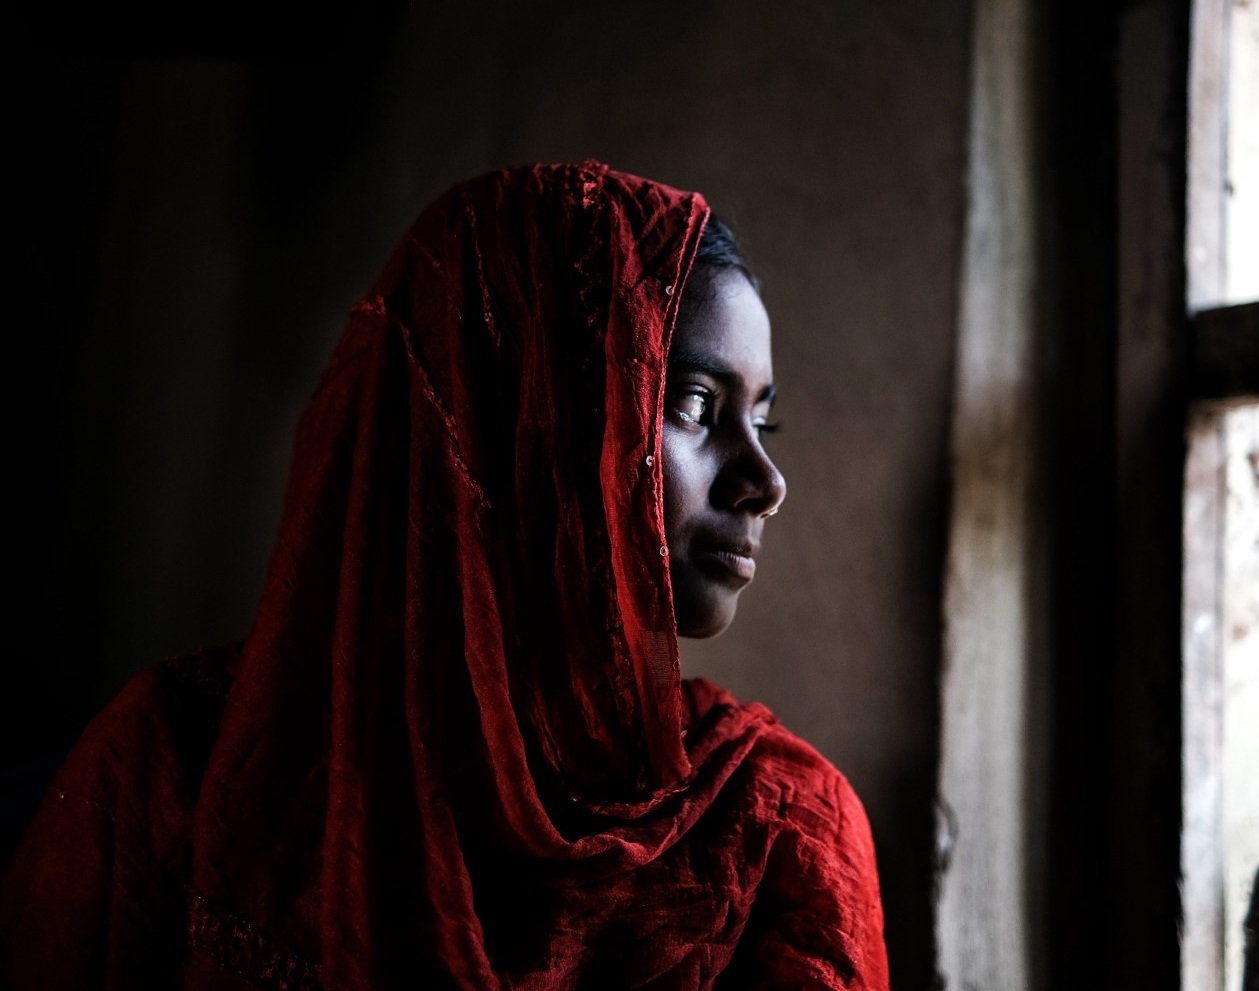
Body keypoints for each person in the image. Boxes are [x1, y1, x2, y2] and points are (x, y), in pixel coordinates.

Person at [0, 162, 888, 989]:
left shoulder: (776, 829)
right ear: (523, 420)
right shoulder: (178, 770)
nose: (765, 484)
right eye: (695, 404)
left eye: (764, 424)